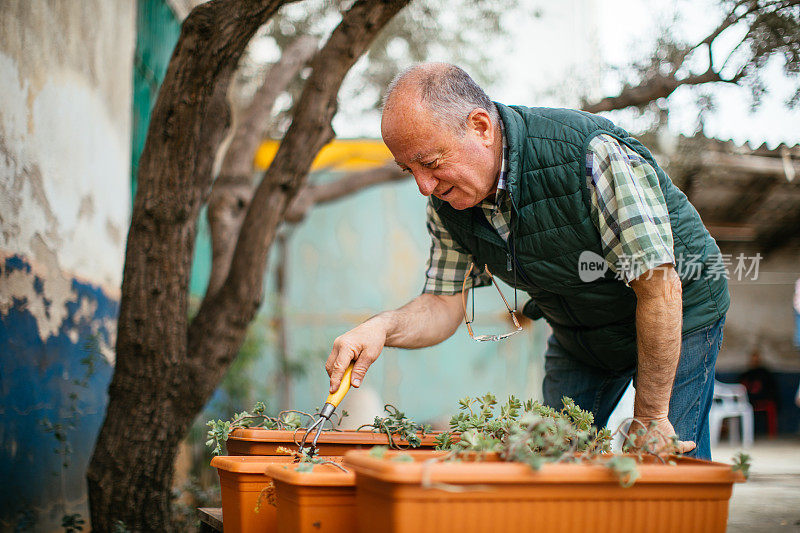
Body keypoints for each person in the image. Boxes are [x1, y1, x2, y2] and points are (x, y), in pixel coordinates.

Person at [325, 63, 729, 459]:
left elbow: (659, 289)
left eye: (429, 163)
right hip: (582, 331)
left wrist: (650, 417)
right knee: (550, 461)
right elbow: (442, 305)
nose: (423, 186)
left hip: (677, 312)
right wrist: (382, 327)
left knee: (665, 464)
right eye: (407, 169)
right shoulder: (447, 203)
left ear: (481, 127)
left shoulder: (590, 156)